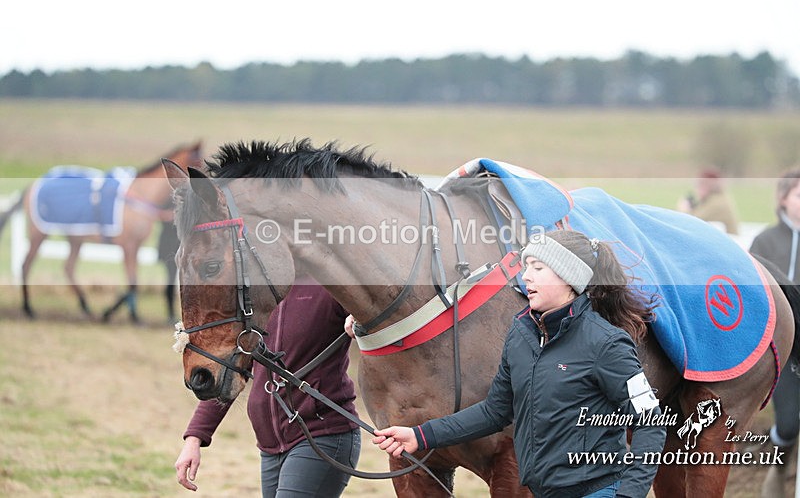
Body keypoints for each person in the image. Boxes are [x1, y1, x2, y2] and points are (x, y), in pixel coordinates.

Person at [372, 230, 666, 498]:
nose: (526, 276)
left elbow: (650, 422)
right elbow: (494, 411)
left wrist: (629, 495)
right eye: (527, 267)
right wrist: (420, 435)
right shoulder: (521, 333)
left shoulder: (606, 343)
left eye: (538, 268)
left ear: (568, 277)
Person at [174, 277, 361, 497]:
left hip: (323, 436)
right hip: (270, 447)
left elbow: (379, 309)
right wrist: (195, 438)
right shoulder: (255, 296)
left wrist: (361, 321)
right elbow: (231, 370)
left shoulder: (329, 282)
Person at [749, 168, 800, 498]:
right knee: (789, 423)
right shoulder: (765, 241)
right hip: (783, 349)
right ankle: (779, 466)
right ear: (783, 198)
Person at [677, 166, 739, 234]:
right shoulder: (716, 198)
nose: (696, 189)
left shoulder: (716, 203)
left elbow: (691, 222)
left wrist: (684, 210)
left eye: (699, 184)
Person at [157, 218, 180, 324]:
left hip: (175, 245)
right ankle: (170, 314)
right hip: (169, 248)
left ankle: (171, 314)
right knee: (170, 280)